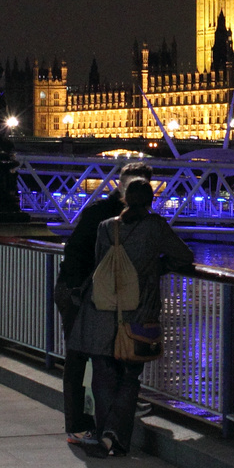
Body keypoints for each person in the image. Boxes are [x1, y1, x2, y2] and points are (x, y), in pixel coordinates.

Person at [68, 177, 193, 457]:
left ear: (124, 199)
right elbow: (184, 256)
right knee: (129, 375)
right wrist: (157, 267)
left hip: (101, 311)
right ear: (151, 201)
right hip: (138, 312)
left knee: (103, 375)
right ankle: (112, 436)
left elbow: (103, 266)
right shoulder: (155, 227)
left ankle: (105, 435)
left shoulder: (106, 227)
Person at [54, 162, 154, 446]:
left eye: (144, 185)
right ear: (121, 185)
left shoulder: (112, 213)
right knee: (79, 357)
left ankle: (113, 409)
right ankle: (78, 426)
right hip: (78, 293)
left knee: (107, 353)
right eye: (136, 185)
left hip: (92, 294)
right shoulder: (110, 216)